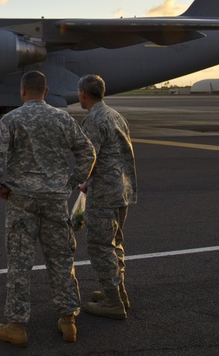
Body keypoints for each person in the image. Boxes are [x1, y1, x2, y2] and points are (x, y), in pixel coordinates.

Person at [0, 71, 96, 347]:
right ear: (46, 91)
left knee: (20, 263)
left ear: (23, 91)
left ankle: (17, 325)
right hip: (55, 199)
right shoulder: (62, 118)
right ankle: (68, 320)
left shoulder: (12, 119)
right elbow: (87, 152)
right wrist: (70, 182)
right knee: (61, 260)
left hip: (21, 199)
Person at [76, 74, 137, 320]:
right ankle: (118, 292)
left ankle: (113, 302)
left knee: (100, 246)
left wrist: (79, 181)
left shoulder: (93, 120)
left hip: (104, 194)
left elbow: (88, 157)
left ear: (83, 93)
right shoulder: (116, 116)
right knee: (115, 244)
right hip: (122, 190)